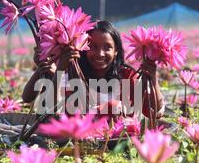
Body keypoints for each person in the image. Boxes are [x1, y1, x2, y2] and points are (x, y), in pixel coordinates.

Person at [22, 20, 164, 119]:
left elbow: (154, 110)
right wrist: (56, 70)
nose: (100, 54)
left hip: (117, 139)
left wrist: (153, 78)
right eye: (93, 47)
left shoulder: (127, 76)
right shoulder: (73, 74)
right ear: (83, 49)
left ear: (116, 51)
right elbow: (47, 108)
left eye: (107, 47)